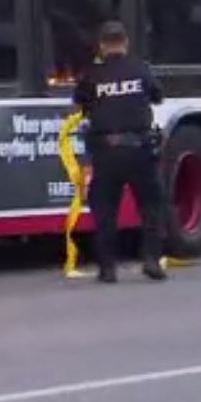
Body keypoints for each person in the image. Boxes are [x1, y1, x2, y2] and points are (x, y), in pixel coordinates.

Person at [71, 20, 168, 284]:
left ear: (102, 46)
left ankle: (107, 269)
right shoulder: (141, 68)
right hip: (140, 149)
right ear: (125, 43)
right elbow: (157, 96)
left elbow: (79, 100)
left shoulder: (92, 73)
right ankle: (151, 260)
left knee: (105, 211)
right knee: (152, 206)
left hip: (107, 151)